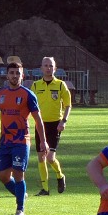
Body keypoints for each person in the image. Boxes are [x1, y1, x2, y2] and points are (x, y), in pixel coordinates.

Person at [0, 62, 48, 215]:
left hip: (21, 141)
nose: (14, 76)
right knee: (4, 177)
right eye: (12, 73)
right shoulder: (0, 94)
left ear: (22, 75)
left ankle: (20, 209)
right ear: (7, 75)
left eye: (17, 73)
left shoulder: (28, 95)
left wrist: (43, 141)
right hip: (5, 142)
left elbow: (38, 120)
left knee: (19, 174)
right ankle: (22, 194)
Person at [31, 56, 71, 196]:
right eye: (45, 65)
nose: (48, 68)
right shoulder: (35, 86)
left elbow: (68, 105)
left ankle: (60, 175)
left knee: (50, 158)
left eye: (51, 65)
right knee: (41, 157)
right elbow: (30, 105)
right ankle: (45, 189)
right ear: (41, 68)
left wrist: (63, 121)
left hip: (55, 124)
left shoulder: (61, 85)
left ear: (55, 68)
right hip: (39, 124)